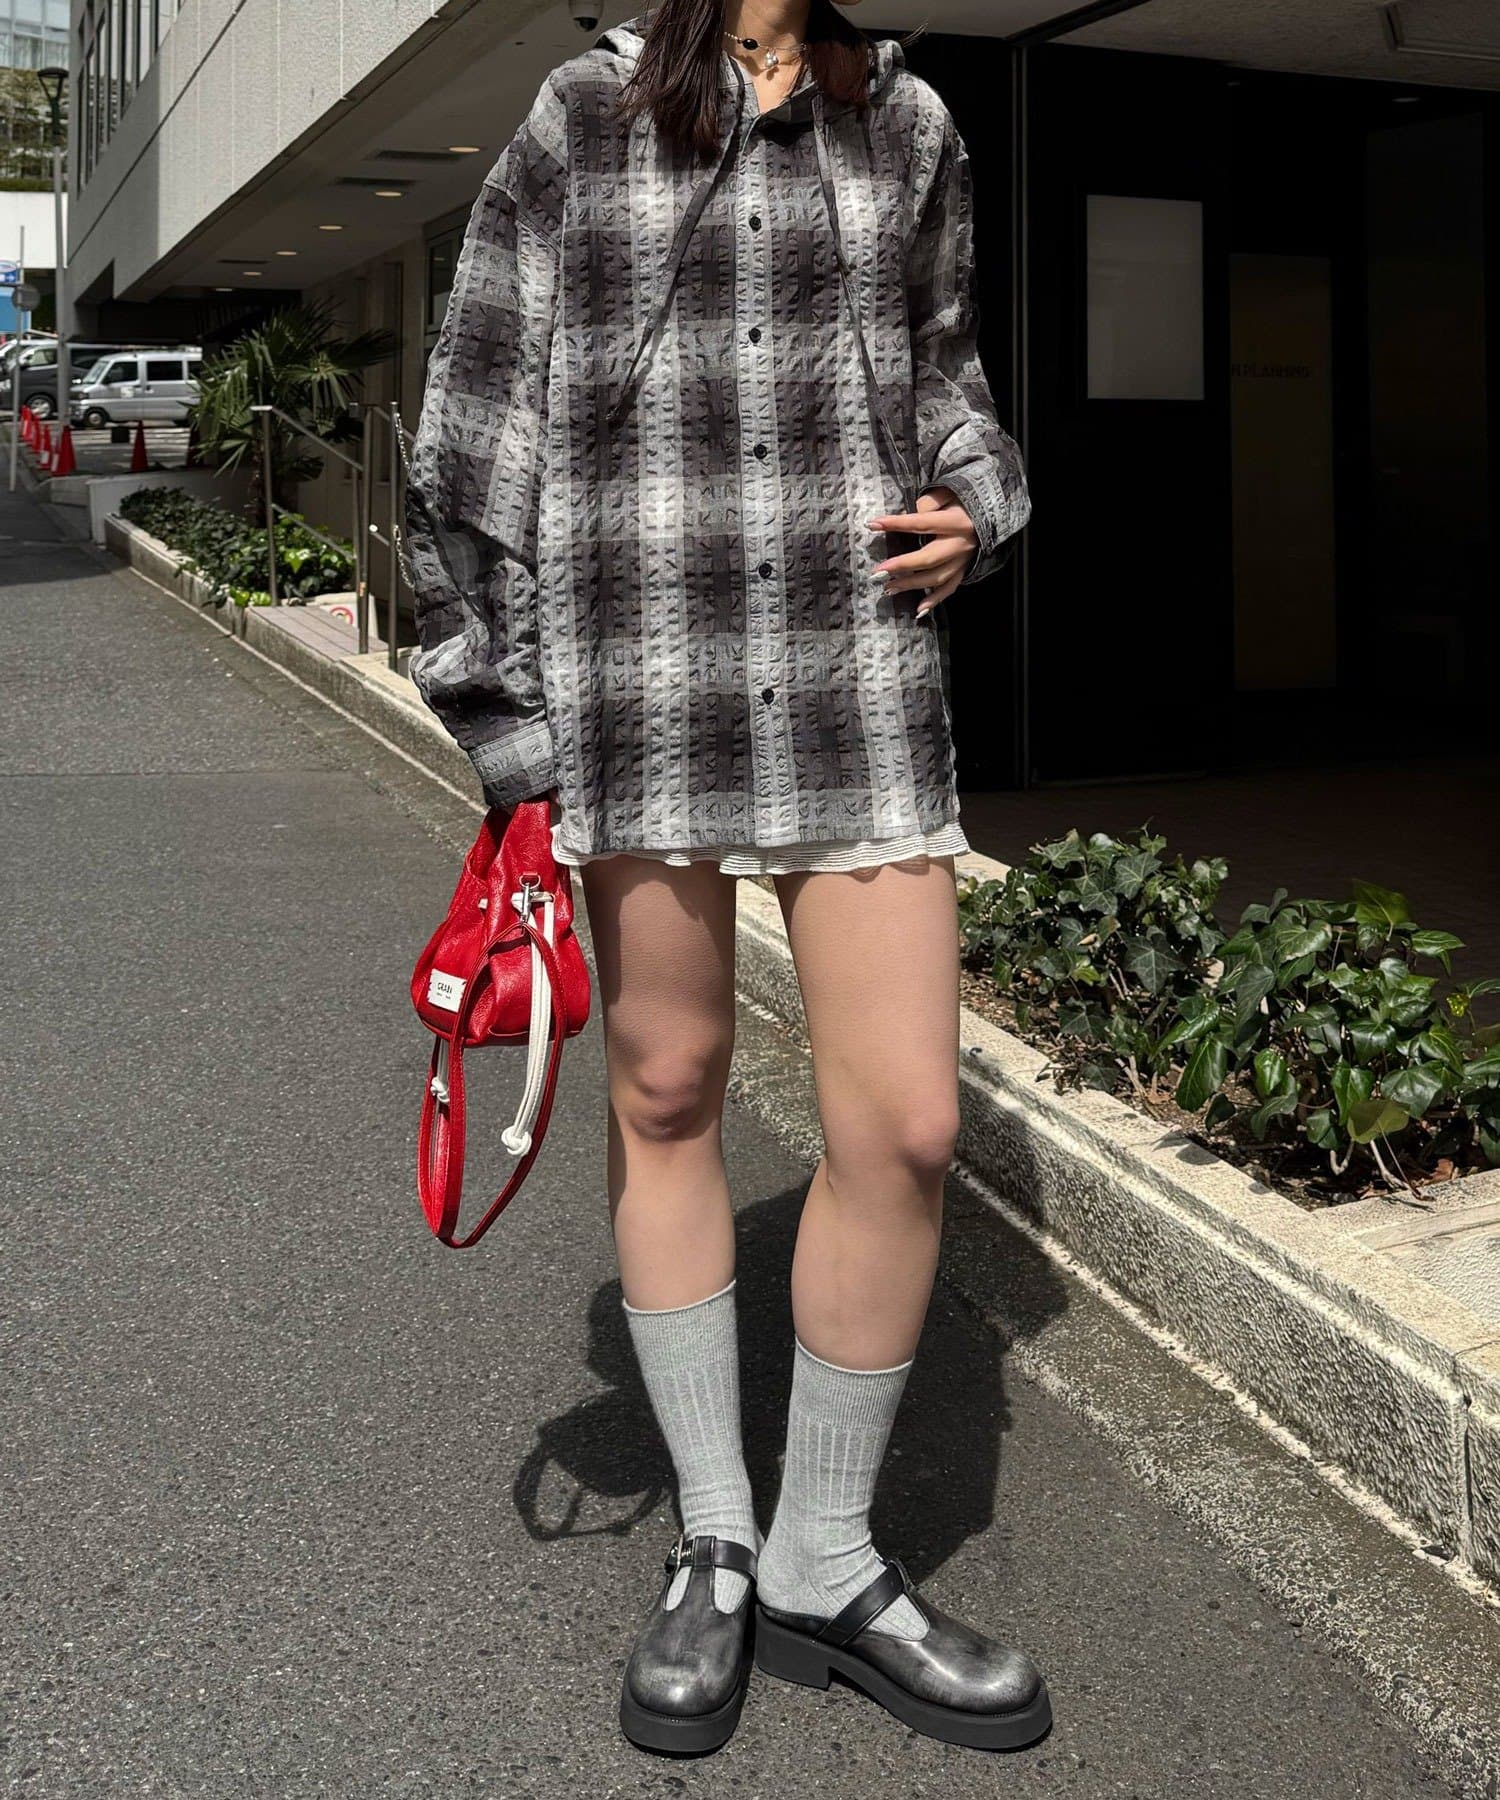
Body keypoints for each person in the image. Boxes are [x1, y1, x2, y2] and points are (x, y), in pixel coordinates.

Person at [404, 0, 1050, 1758]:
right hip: (641, 675)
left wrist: (978, 502)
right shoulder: (583, 118)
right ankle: (717, 1539)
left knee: (907, 1121)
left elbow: (952, 384)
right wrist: (510, 729)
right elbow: (470, 435)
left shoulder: (909, 125)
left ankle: (826, 1559)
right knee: (670, 1084)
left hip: (854, 675)